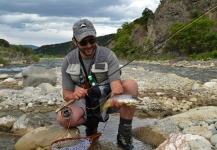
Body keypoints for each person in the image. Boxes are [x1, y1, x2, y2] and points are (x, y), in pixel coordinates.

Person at [56, 19, 138, 150]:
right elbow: (66, 94)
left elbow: (116, 85)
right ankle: (91, 125)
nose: (88, 45)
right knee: (62, 118)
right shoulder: (68, 60)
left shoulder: (108, 55)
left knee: (131, 85)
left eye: (92, 40)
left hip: (104, 98)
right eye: (83, 42)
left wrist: (116, 96)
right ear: (74, 41)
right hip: (82, 102)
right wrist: (73, 94)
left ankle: (124, 134)